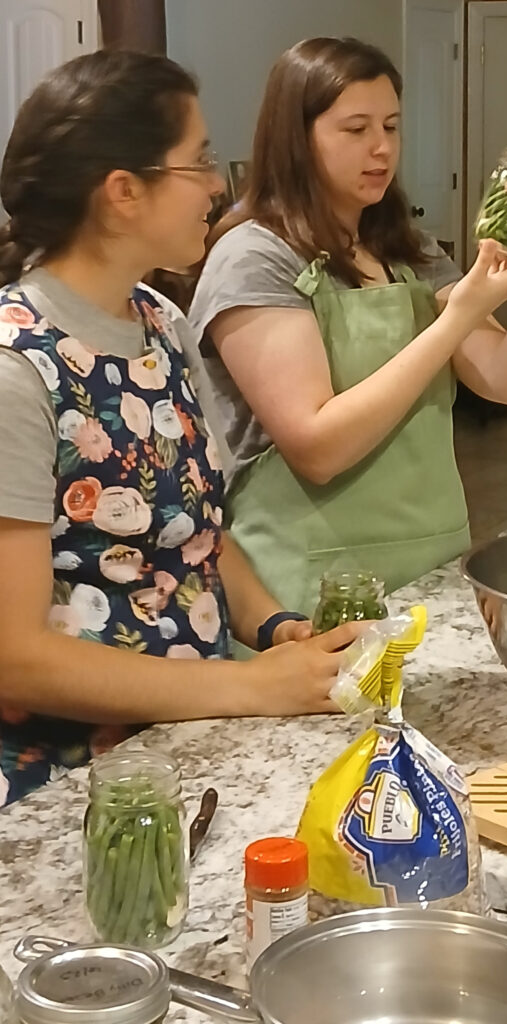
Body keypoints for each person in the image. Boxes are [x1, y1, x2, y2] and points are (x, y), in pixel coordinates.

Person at [0, 51, 361, 805]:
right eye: (196, 161)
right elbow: (15, 656)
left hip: (188, 746)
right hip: (66, 788)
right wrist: (247, 686)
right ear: (123, 193)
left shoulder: (160, 322)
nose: (217, 182)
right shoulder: (16, 367)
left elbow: (197, 535)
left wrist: (275, 629)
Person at [188, 36, 507, 619]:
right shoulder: (254, 257)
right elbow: (319, 447)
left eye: (391, 127)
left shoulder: (407, 247)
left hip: (431, 569)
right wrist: (458, 318)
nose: (380, 149)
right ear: (298, 135)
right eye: (355, 129)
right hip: (311, 588)